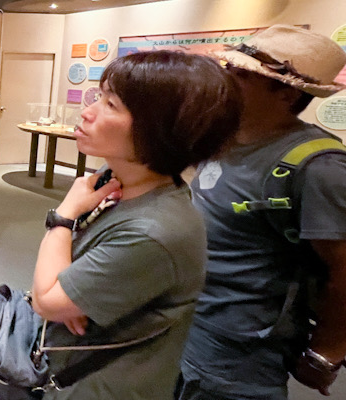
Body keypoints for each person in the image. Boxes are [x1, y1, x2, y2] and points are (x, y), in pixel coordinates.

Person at [29, 51, 241, 400]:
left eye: (111, 104)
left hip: (101, 385)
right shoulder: (114, 183)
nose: (88, 111)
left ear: (160, 129)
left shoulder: (154, 230)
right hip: (71, 364)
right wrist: (69, 289)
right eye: (99, 96)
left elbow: (48, 300)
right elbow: (59, 284)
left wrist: (63, 218)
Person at [177, 25, 346, 399]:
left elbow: (343, 270)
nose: (223, 81)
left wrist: (325, 353)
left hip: (240, 352)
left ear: (286, 94)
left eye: (239, 77)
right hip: (188, 322)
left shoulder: (319, 167)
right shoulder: (224, 138)